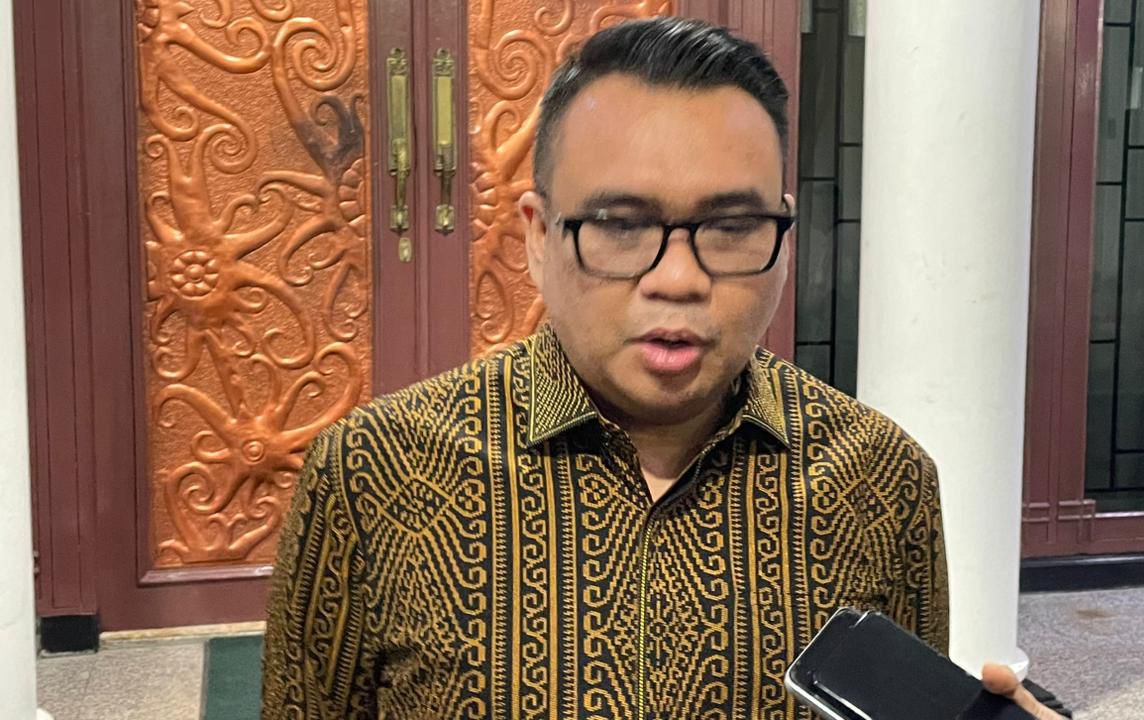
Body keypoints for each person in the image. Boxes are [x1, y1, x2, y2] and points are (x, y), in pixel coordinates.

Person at [262, 17, 1064, 720]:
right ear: (538, 236)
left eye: (733, 226)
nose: (678, 279)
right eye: (620, 224)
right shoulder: (372, 475)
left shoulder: (883, 482)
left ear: (784, 236)